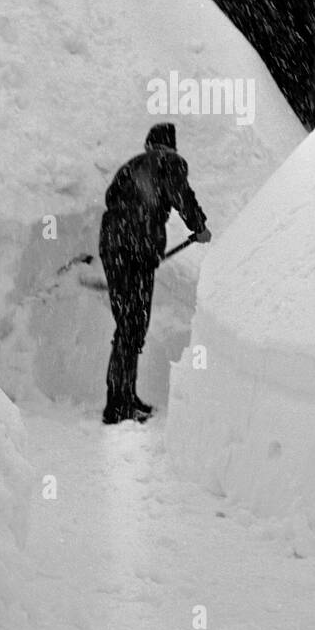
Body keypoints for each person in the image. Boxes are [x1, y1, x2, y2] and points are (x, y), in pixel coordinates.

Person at [98, 123, 211, 424]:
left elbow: (114, 201)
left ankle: (122, 396)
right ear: (170, 146)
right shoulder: (169, 161)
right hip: (134, 251)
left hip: (115, 248)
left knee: (128, 325)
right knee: (132, 326)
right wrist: (198, 226)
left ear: (150, 143)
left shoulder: (131, 166)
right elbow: (181, 194)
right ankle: (119, 405)